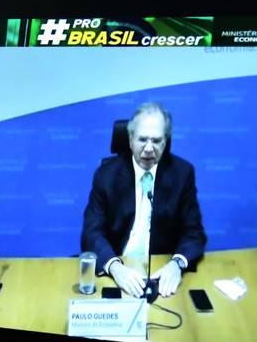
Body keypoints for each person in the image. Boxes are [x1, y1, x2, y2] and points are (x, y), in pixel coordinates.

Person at [81, 102, 206, 298]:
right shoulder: (106, 176)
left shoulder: (182, 174)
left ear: (166, 141)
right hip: (117, 272)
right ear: (130, 139)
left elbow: (194, 233)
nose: (149, 148)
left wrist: (177, 264)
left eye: (156, 141)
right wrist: (115, 268)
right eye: (142, 140)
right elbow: (91, 233)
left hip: (160, 273)